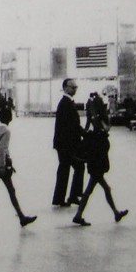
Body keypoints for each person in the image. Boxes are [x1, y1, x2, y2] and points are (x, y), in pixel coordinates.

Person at [0, 107, 37, 229]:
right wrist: (3, 166)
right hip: (0, 165)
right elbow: (2, 150)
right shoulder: (7, 131)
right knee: (11, 191)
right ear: (9, 118)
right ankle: (21, 218)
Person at [71, 116, 127, 226]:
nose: (109, 127)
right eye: (107, 125)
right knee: (91, 191)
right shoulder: (100, 138)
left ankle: (115, 213)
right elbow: (101, 152)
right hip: (97, 168)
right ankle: (78, 215)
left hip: (94, 167)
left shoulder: (94, 136)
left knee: (102, 189)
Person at [52, 78, 84, 207]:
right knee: (76, 167)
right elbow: (70, 126)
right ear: (65, 88)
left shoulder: (67, 102)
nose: (75, 89)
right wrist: (82, 134)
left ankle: (62, 198)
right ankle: (72, 196)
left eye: (76, 87)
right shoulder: (65, 103)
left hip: (65, 144)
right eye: (72, 87)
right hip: (66, 144)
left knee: (66, 169)